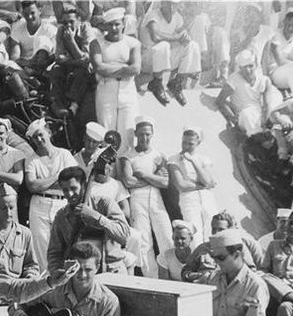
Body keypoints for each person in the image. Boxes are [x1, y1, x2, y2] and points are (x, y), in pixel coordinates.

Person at [47, 164, 131, 276]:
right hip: (80, 275)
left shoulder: (105, 204)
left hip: (112, 271)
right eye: (65, 190)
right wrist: (57, 272)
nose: (69, 194)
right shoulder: (61, 216)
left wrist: (96, 217)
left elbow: (124, 236)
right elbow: (55, 252)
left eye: (73, 188)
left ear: (84, 185)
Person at [118, 115, 171, 278]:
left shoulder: (159, 156)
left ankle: (174, 276)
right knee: (144, 241)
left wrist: (145, 175)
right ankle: (152, 279)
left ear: (152, 133)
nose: (144, 138)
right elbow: (128, 181)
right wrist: (153, 179)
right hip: (137, 200)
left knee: (166, 236)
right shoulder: (127, 156)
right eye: (141, 134)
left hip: (156, 199)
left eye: (147, 134)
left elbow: (165, 183)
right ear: (136, 134)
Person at [24, 118, 78, 273]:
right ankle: (47, 288)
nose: (39, 139)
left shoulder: (64, 154)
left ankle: (64, 283)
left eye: (41, 135)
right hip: (39, 205)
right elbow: (32, 185)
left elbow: (72, 181)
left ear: (48, 132)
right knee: (41, 248)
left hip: (62, 204)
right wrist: (57, 177)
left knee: (64, 245)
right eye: (35, 137)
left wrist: (45, 182)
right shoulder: (32, 160)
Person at [91, 7, 142, 146]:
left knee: (128, 133)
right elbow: (99, 68)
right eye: (110, 24)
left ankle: (124, 166)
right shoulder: (96, 43)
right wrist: (125, 68)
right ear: (105, 25)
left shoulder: (133, 43)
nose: (114, 28)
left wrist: (109, 68)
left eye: (117, 24)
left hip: (127, 90)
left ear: (123, 24)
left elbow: (136, 69)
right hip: (106, 90)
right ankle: (107, 167)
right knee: (106, 134)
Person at [138, 0, 202, 106]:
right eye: (169, 3)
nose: (172, 7)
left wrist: (186, 37)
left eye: (175, 4)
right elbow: (155, 37)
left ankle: (177, 83)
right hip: (147, 60)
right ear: (162, 3)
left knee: (193, 45)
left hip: (163, 60)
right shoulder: (153, 15)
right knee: (164, 45)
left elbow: (184, 34)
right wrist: (176, 37)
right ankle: (156, 83)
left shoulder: (177, 17)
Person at [180, 211, 265, 282]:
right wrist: (201, 276)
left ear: (229, 230)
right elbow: (185, 272)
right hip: (205, 289)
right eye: (214, 229)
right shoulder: (202, 248)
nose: (216, 232)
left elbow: (252, 273)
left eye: (221, 229)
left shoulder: (239, 248)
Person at [167, 126, 217, 246]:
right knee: (195, 235)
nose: (185, 147)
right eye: (184, 142)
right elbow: (181, 185)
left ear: (198, 143)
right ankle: (200, 262)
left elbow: (209, 180)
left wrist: (193, 161)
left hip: (207, 199)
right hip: (189, 200)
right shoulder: (173, 160)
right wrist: (204, 185)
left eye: (190, 144)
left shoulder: (203, 159)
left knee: (213, 231)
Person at [215, 49, 281, 139]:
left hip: (259, 112)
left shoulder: (264, 80)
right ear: (240, 68)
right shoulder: (233, 80)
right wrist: (232, 117)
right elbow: (220, 100)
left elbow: (267, 104)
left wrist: (265, 120)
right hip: (243, 114)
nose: (248, 70)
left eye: (251, 66)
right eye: (244, 67)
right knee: (249, 118)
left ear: (256, 65)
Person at [49, 7, 95, 122]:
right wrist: (75, 60)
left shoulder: (86, 29)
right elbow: (59, 57)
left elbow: (86, 59)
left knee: (82, 71)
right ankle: (56, 103)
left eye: (71, 22)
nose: (68, 25)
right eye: (65, 22)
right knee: (56, 69)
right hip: (68, 66)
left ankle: (74, 106)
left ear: (79, 20)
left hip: (84, 69)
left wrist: (71, 41)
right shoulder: (60, 30)